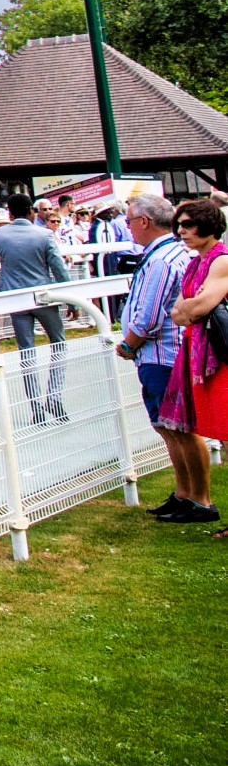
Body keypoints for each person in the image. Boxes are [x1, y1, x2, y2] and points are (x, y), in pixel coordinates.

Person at [114, 195, 206, 521]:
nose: (127, 227)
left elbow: (150, 317)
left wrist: (128, 344)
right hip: (161, 354)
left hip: (162, 354)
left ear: (144, 222)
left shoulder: (162, 260)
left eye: (128, 221)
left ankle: (199, 499)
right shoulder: (164, 254)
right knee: (168, 428)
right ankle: (185, 494)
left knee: (179, 428)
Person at [0, 193, 73, 422]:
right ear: (31, 211)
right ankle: (54, 395)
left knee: (27, 352)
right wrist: (71, 299)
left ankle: (36, 408)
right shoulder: (45, 234)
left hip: (15, 300)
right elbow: (59, 270)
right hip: (43, 298)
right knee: (59, 342)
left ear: (10, 214)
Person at [167, 197, 228, 531]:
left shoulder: (221, 261)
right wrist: (191, 308)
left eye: (188, 225)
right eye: (179, 225)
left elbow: (198, 308)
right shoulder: (194, 263)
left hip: (219, 357)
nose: (182, 231)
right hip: (200, 353)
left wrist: (190, 308)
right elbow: (179, 313)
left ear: (208, 225)